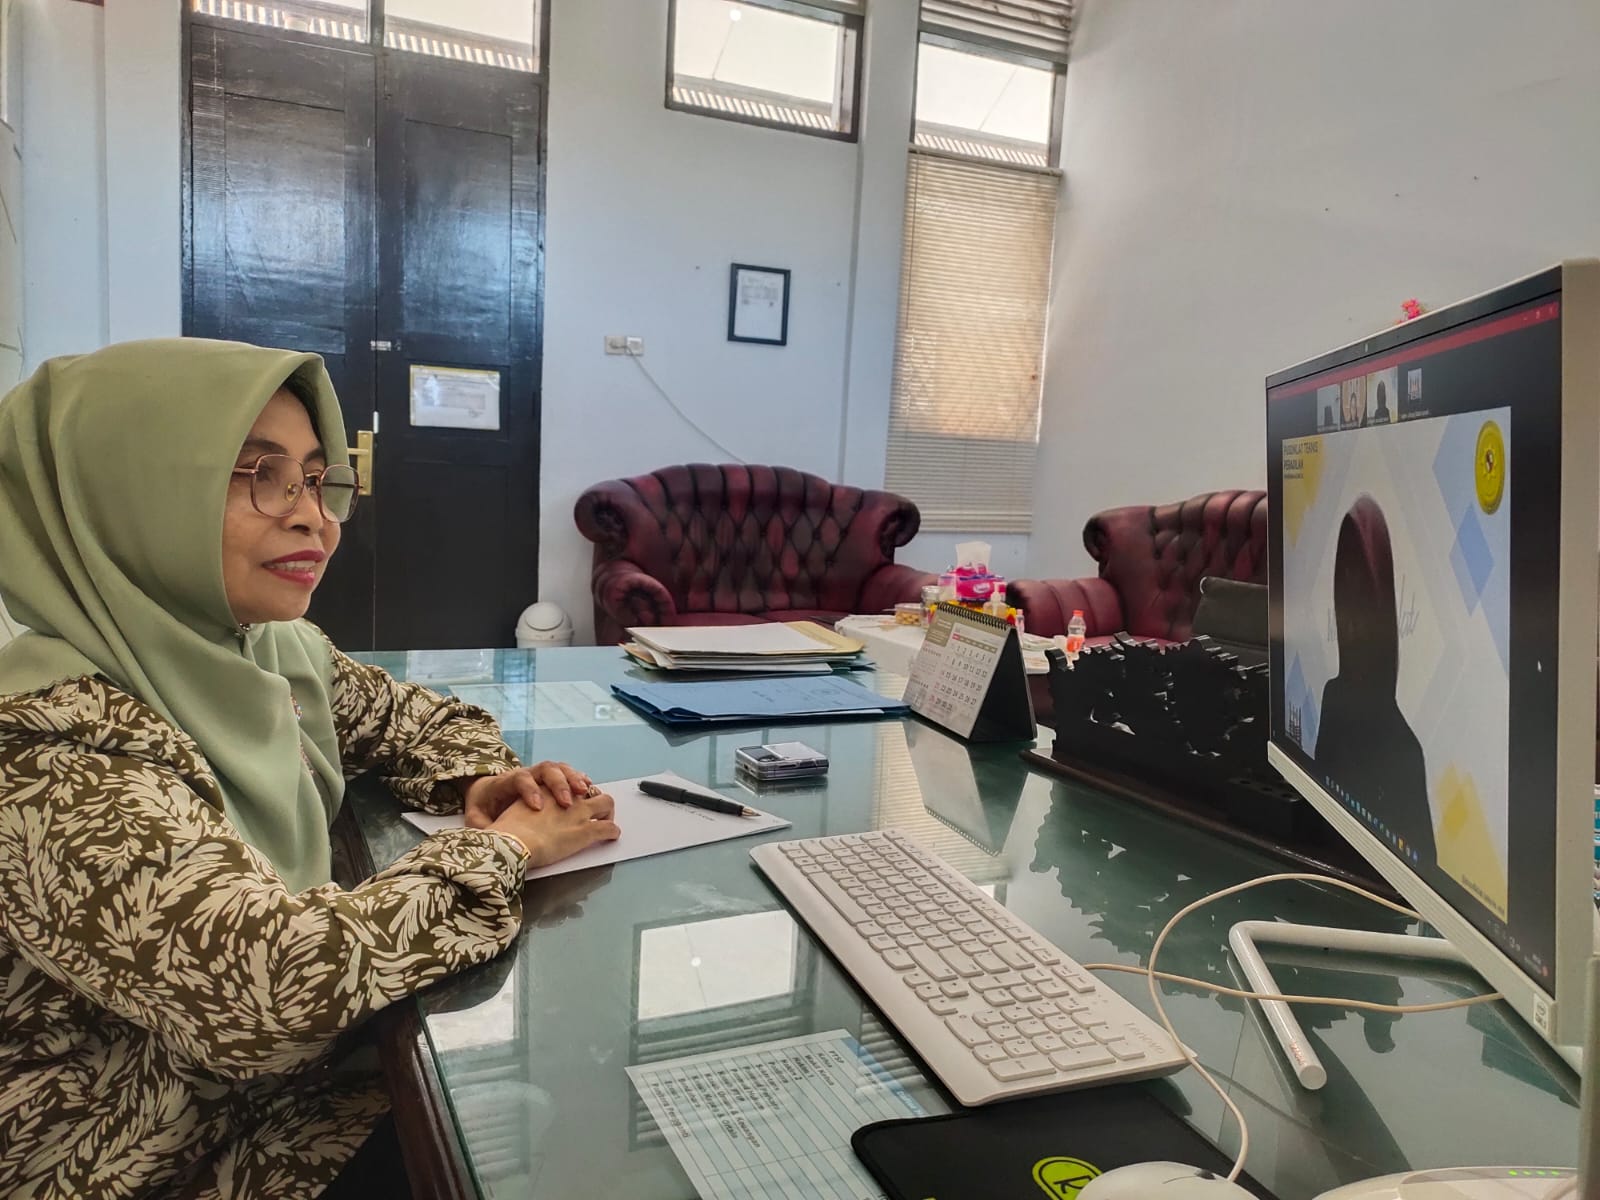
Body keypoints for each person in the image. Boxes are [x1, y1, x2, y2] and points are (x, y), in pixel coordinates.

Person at [0, 339, 622, 1199]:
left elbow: (423, 721)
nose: (315, 520)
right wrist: (507, 848)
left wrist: (479, 785)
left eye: (317, 480)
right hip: (148, 1158)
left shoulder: (275, 650)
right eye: (261, 475)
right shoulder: (45, 754)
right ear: (121, 495)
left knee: (546, 1117)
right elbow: (265, 991)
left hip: (289, 1095)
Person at [1313, 495, 1434, 865]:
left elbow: (1422, 870)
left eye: (1361, 601)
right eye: (1344, 597)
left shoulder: (1406, 750)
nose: (1349, 625)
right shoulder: (1335, 696)